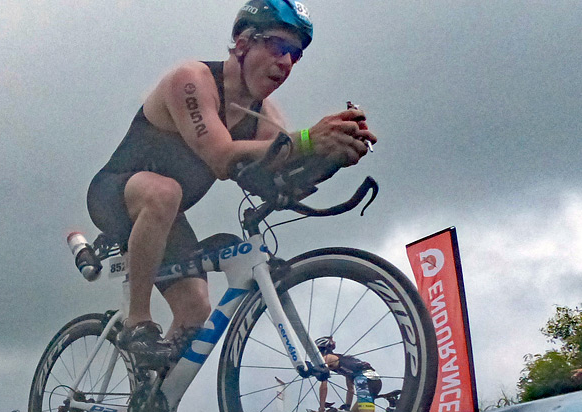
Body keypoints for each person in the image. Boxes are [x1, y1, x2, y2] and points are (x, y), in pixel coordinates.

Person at [86, 0, 375, 369]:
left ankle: (151, 403)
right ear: (242, 43)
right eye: (277, 46)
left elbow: (275, 178)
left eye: (295, 55)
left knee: (195, 310)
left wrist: (333, 155)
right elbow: (222, 157)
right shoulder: (191, 81)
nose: (286, 62)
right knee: (165, 191)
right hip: (115, 195)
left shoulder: (265, 118)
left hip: (166, 218)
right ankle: (136, 322)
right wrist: (306, 140)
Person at [311, 336, 382, 412]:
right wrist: (347, 406)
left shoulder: (326, 359)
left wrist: (321, 410)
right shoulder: (342, 362)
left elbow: (323, 385)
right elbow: (350, 388)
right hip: (374, 380)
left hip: (363, 380)